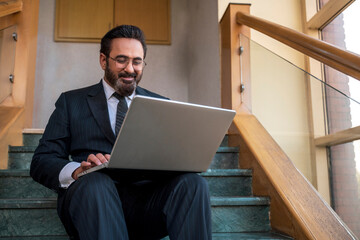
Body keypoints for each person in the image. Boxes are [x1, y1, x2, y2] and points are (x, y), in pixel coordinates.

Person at [30, 25, 212, 240]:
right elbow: (42, 160)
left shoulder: (162, 105)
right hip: (92, 202)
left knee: (194, 184)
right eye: (121, 59)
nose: (130, 69)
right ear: (103, 60)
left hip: (146, 207)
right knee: (97, 183)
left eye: (137, 61)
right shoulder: (71, 102)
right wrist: (78, 170)